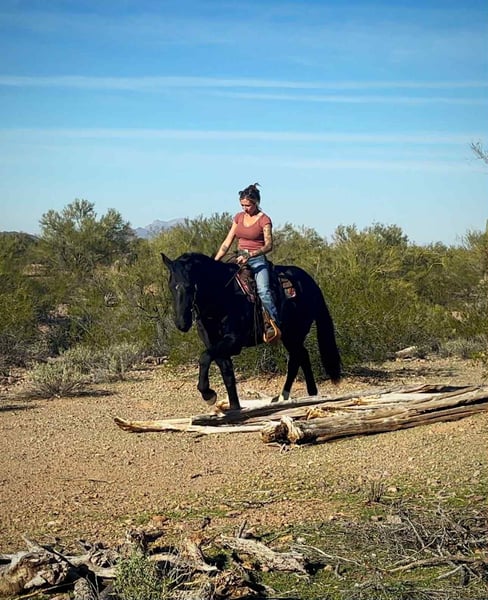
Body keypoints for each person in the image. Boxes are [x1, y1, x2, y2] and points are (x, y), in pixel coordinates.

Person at [214, 183, 281, 342]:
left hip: (257, 259)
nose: (245, 208)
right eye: (242, 205)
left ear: (256, 202)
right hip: (238, 257)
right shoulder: (238, 217)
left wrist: (250, 255)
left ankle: (273, 323)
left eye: (248, 205)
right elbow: (227, 242)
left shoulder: (264, 220)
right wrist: (215, 261)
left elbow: (269, 245)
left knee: (263, 290)